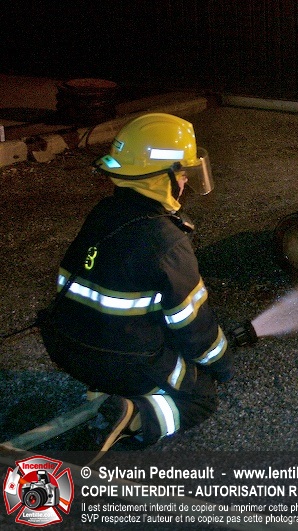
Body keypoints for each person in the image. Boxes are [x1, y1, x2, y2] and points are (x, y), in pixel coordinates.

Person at [39, 113, 233, 454]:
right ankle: (134, 417)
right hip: (120, 361)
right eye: (182, 174)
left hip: (66, 347)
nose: (185, 183)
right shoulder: (167, 242)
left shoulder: (104, 212)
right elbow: (192, 324)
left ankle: (106, 390)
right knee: (202, 397)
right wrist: (219, 363)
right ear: (162, 179)